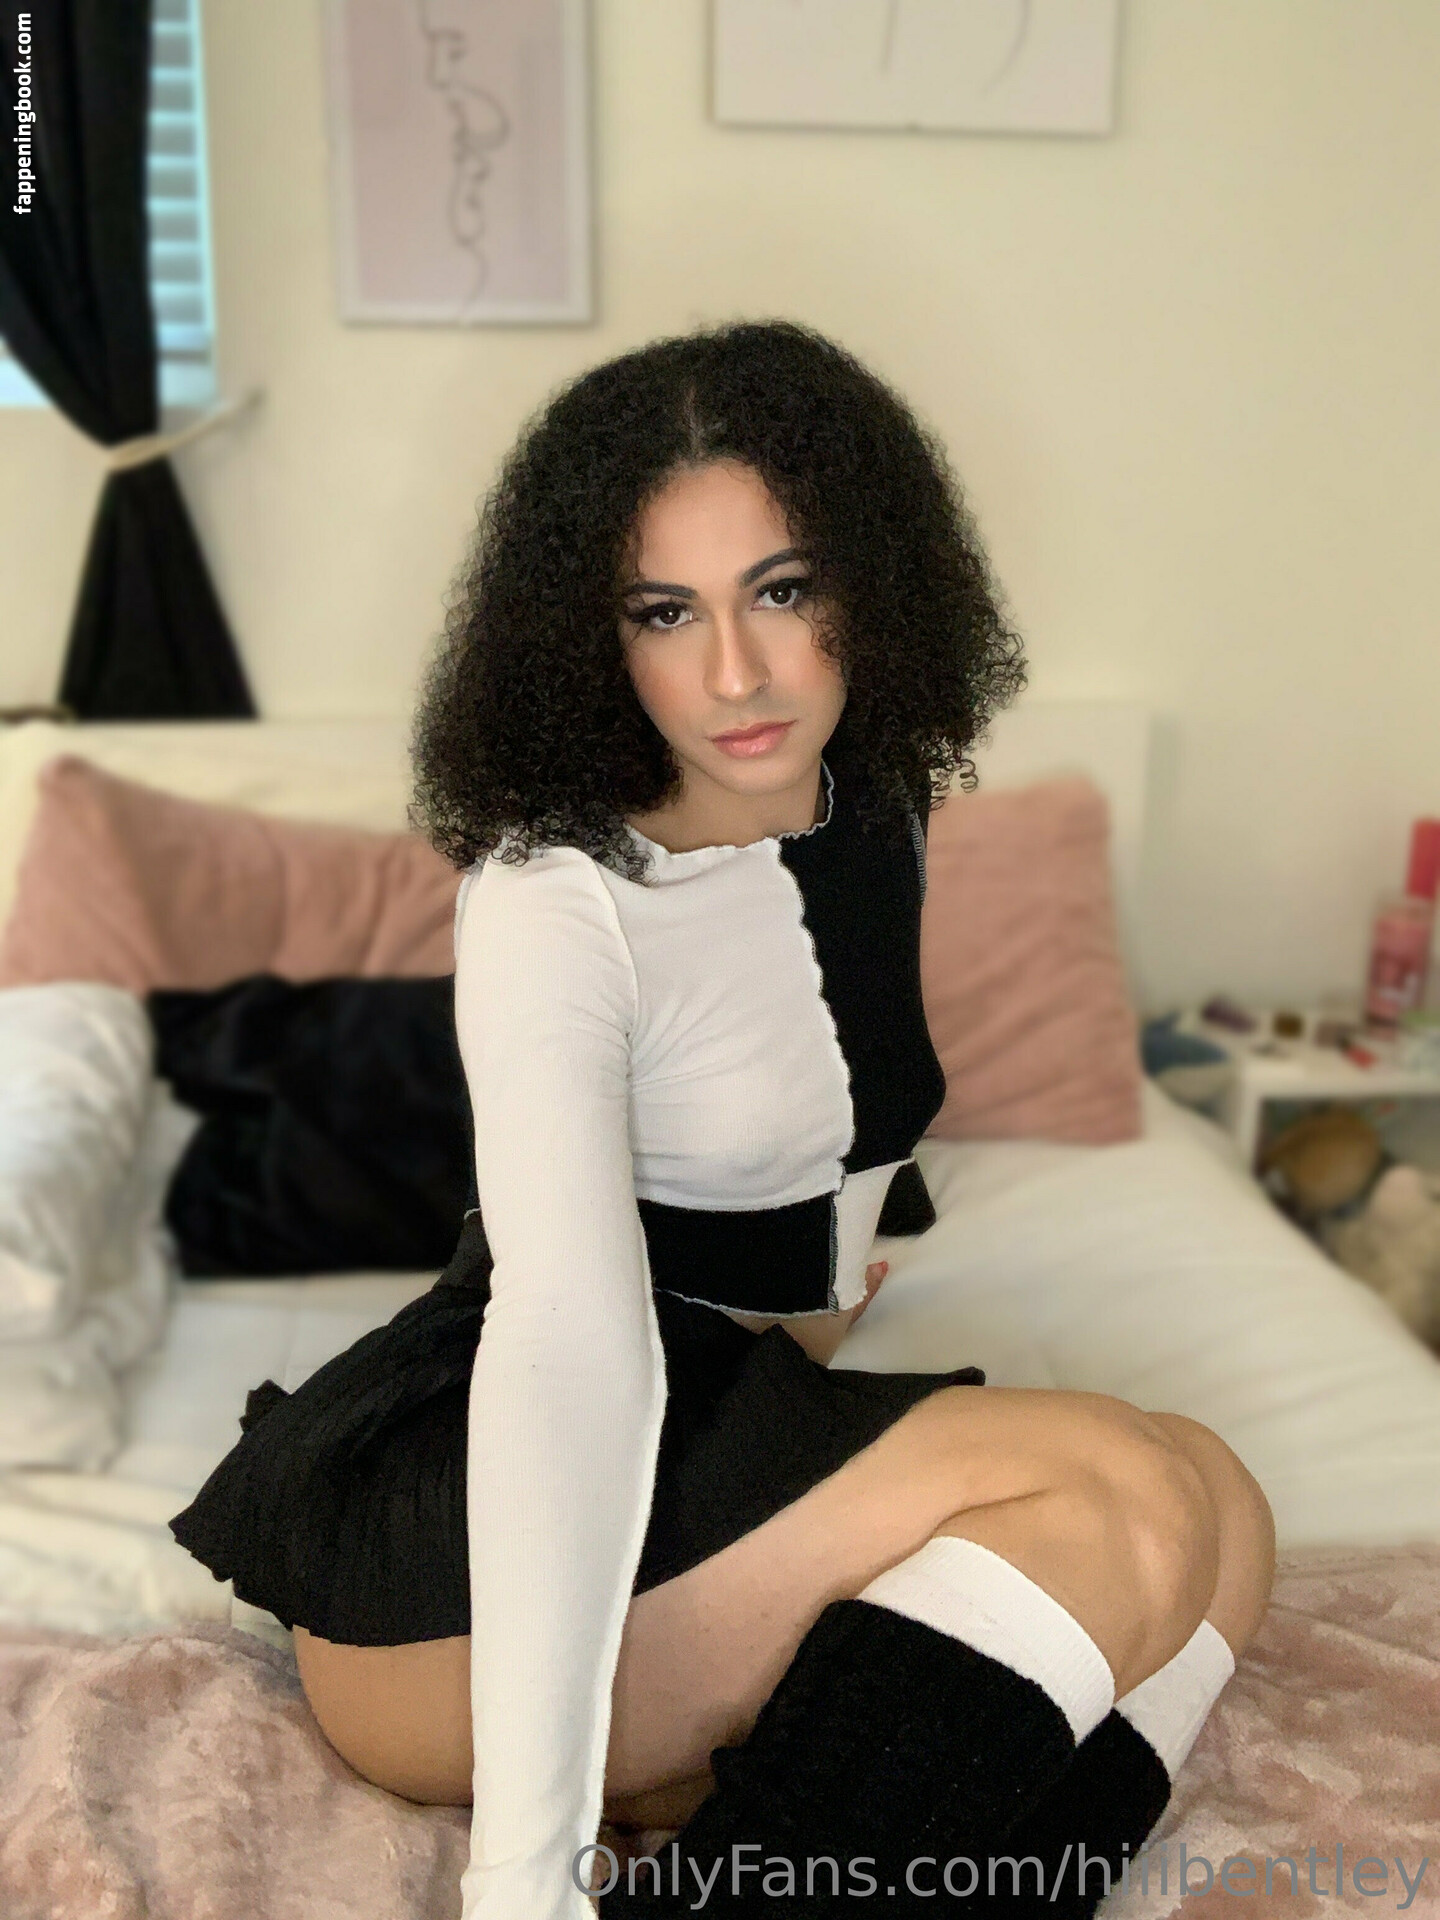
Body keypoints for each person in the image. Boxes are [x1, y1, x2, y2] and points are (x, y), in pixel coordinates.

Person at [169, 319, 1274, 1918]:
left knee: (1223, 1501)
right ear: (590, 637)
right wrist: (524, 1878)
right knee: (1125, 1494)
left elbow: (841, 1123)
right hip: (468, 1567)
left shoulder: (870, 811)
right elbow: (568, 1347)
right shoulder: (557, 898)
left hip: (722, 1437)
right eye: (664, 612)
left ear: (869, 585)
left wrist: (815, 1308)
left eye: (781, 589)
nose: (736, 674)